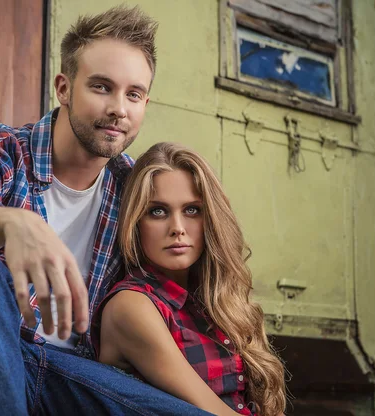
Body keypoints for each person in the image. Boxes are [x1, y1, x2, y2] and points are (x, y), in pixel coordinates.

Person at [0, 6, 211, 415]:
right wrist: (13, 222)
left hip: (57, 371)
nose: (119, 108)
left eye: (134, 94)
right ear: (64, 88)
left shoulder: (132, 188)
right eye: (102, 87)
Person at [93, 142, 288, 416]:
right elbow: (209, 412)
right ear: (136, 222)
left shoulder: (216, 299)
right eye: (157, 211)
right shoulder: (131, 306)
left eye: (192, 210)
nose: (178, 229)